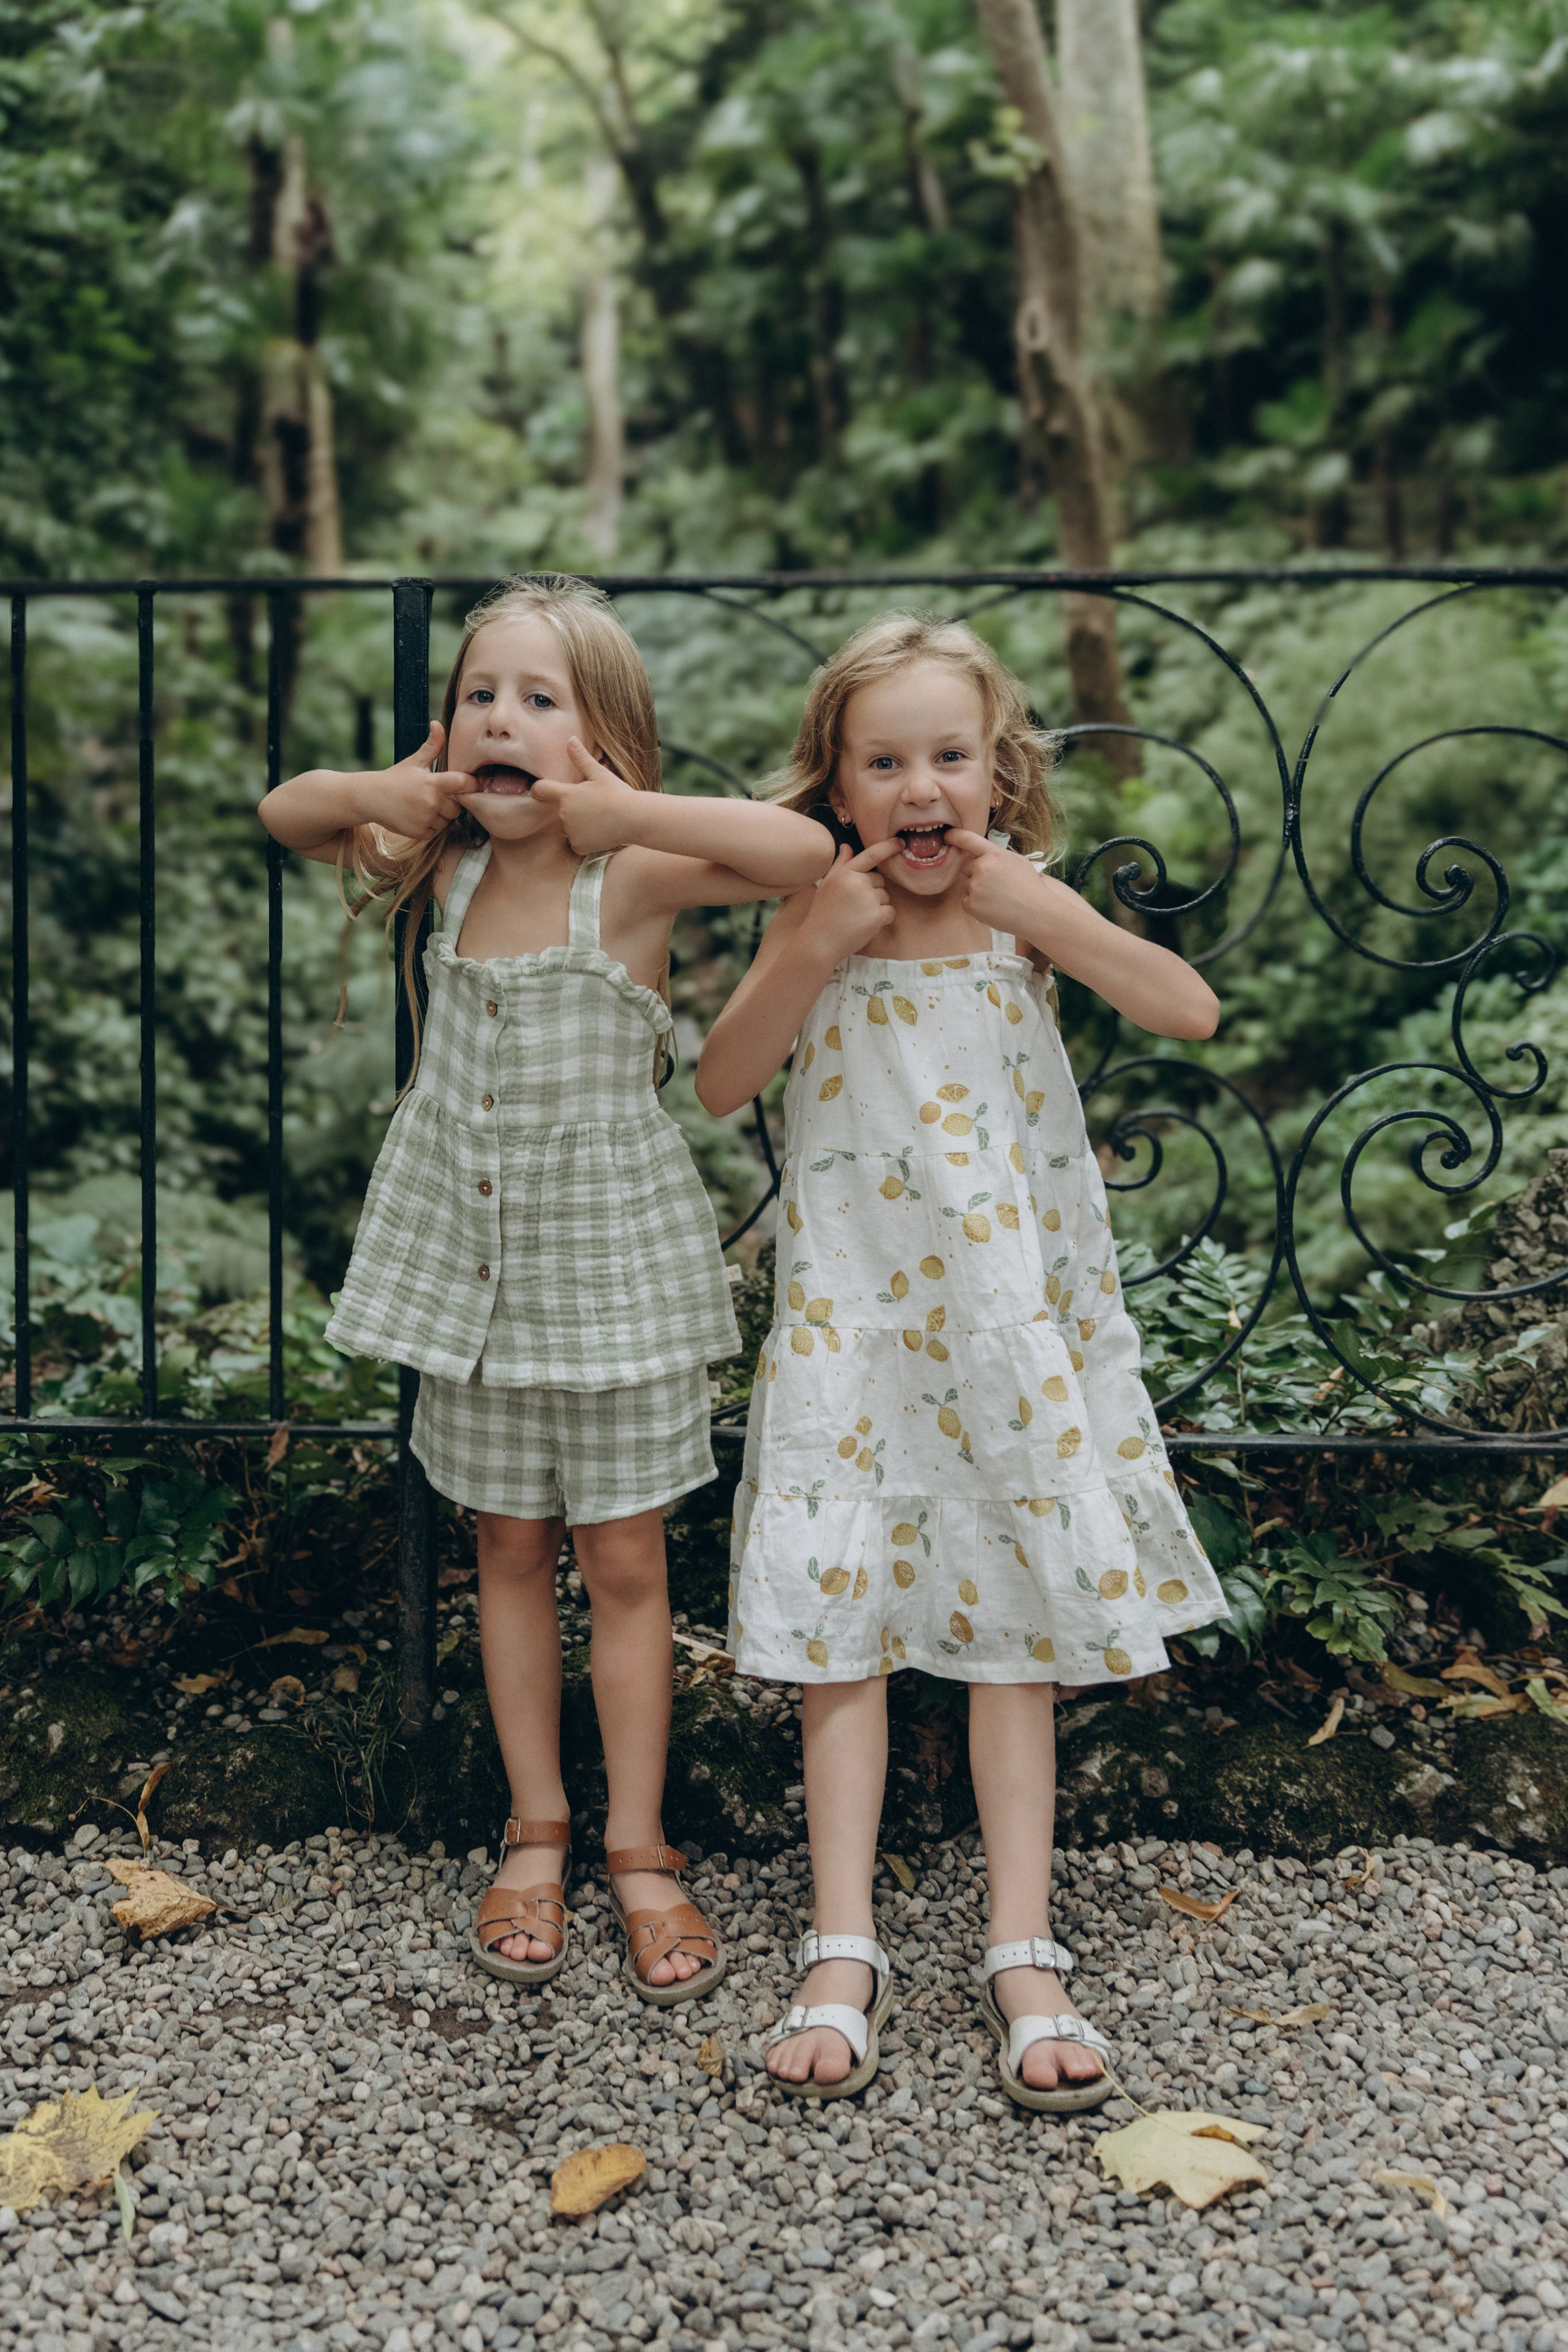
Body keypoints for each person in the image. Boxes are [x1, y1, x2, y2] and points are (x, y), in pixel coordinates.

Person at [260, 575, 832, 2007]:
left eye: (538, 701)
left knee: (626, 1565)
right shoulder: (438, 858)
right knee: (505, 1553)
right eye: (478, 696)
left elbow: (799, 848)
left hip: (610, 1274)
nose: (499, 720)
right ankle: (537, 1830)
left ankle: (640, 1847)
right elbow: (287, 813)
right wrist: (399, 782)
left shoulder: (622, 873)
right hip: (475, 1275)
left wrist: (620, 810)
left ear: (602, 740)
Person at [696, 612, 1227, 2108]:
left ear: (995, 780)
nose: (919, 787)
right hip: (853, 1325)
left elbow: (1184, 1008)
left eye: (949, 757)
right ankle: (841, 1941)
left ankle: (1020, 1945)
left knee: (1016, 1624)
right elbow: (727, 1076)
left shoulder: (1021, 910)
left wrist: (1043, 914)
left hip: (1001, 1322)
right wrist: (809, 945)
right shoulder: (815, 901)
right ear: (838, 785)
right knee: (841, 1630)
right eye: (884, 761)